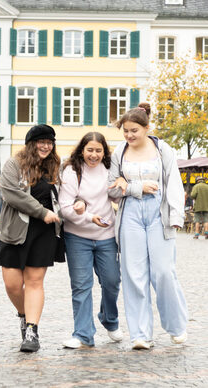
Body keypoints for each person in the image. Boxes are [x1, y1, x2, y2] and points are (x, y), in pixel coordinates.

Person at [108, 102, 188, 350]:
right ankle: (141, 334)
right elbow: (112, 190)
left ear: (146, 127)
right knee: (134, 274)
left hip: (158, 213)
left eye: (134, 130)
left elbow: (174, 183)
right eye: (126, 131)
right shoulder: (119, 152)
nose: (129, 135)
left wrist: (176, 216)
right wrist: (133, 188)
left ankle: (176, 325)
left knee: (163, 272)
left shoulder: (163, 150)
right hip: (130, 212)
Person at [0, 124, 63, 353]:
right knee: (13, 285)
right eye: (41, 142)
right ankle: (23, 316)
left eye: (49, 142)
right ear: (31, 144)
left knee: (34, 281)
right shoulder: (14, 164)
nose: (45, 146)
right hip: (16, 229)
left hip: (44, 232)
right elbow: (12, 194)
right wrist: (42, 212)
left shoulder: (55, 167)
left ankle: (32, 330)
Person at [59, 132, 122, 349]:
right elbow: (65, 208)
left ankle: (109, 318)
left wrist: (121, 184)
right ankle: (83, 335)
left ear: (104, 152)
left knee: (112, 282)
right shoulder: (71, 171)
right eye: (90, 150)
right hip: (77, 237)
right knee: (81, 286)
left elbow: (115, 197)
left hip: (106, 236)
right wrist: (88, 217)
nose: (93, 155)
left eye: (98, 150)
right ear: (82, 150)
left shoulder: (109, 170)